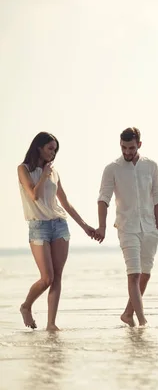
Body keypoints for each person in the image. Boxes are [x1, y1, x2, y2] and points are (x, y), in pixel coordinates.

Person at [17, 132, 96, 331]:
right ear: (39, 148)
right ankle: (26, 306)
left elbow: (65, 202)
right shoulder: (23, 169)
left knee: (57, 277)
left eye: (55, 150)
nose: (53, 153)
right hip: (38, 227)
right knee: (47, 278)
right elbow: (34, 195)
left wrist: (85, 226)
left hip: (59, 225)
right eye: (50, 148)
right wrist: (43, 175)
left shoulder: (54, 172)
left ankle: (51, 324)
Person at [95, 127, 158, 327]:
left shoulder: (151, 166)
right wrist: (102, 227)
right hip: (127, 227)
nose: (127, 152)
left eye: (131, 148)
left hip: (150, 228)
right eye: (124, 147)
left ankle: (127, 314)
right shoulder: (112, 169)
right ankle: (143, 322)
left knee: (145, 275)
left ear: (139, 145)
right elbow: (103, 199)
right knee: (133, 274)